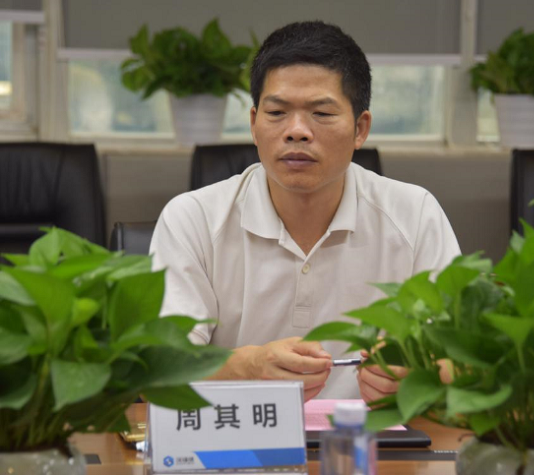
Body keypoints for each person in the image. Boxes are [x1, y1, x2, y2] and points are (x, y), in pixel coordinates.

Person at [150, 21, 460, 402]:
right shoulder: (192, 219)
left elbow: (469, 359)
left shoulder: (416, 216)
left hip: (376, 436)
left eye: (321, 114)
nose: (297, 131)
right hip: (238, 435)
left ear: (360, 129)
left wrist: (419, 374)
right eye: (277, 112)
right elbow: (155, 370)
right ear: (253, 124)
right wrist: (246, 367)